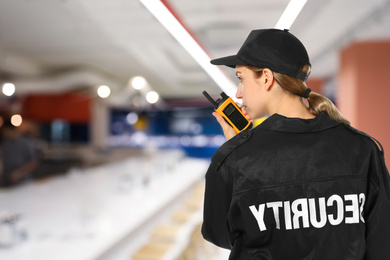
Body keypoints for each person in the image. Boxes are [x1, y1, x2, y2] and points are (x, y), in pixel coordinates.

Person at [201, 28, 390, 259]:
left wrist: (236, 148)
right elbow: (381, 241)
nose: (238, 93)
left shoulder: (233, 159)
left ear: (267, 78)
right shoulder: (363, 148)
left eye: (241, 78)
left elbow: (220, 235)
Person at [0, 121, 38, 187]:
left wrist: (18, 174)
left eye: (6, 132)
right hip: (7, 181)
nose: (5, 134)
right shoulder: (5, 144)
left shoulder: (26, 143)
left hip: (24, 181)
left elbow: (33, 163)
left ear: (11, 130)